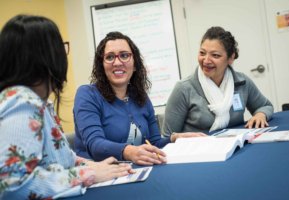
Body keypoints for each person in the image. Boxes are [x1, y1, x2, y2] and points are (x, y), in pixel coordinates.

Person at [0, 15, 133, 199]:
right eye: (60, 48)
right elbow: (11, 185)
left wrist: (92, 166)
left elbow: (60, 157)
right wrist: (90, 175)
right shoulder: (23, 104)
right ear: (43, 57)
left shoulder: (37, 102)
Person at [73, 32, 202, 166]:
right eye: (110, 57)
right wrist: (128, 151)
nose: (117, 62)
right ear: (102, 65)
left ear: (135, 64)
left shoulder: (141, 97)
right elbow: (95, 144)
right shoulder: (87, 94)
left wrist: (174, 139)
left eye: (124, 55)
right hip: (98, 176)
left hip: (134, 172)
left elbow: (154, 143)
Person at [163, 26, 274, 136]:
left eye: (215, 55)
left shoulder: (242, 82)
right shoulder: (183, 88)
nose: (206, 60)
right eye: (202, 53)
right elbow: (167, 137)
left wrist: (260, 114)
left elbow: (265, 106)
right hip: (198, 150)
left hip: (235, 145)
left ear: (230, 58)